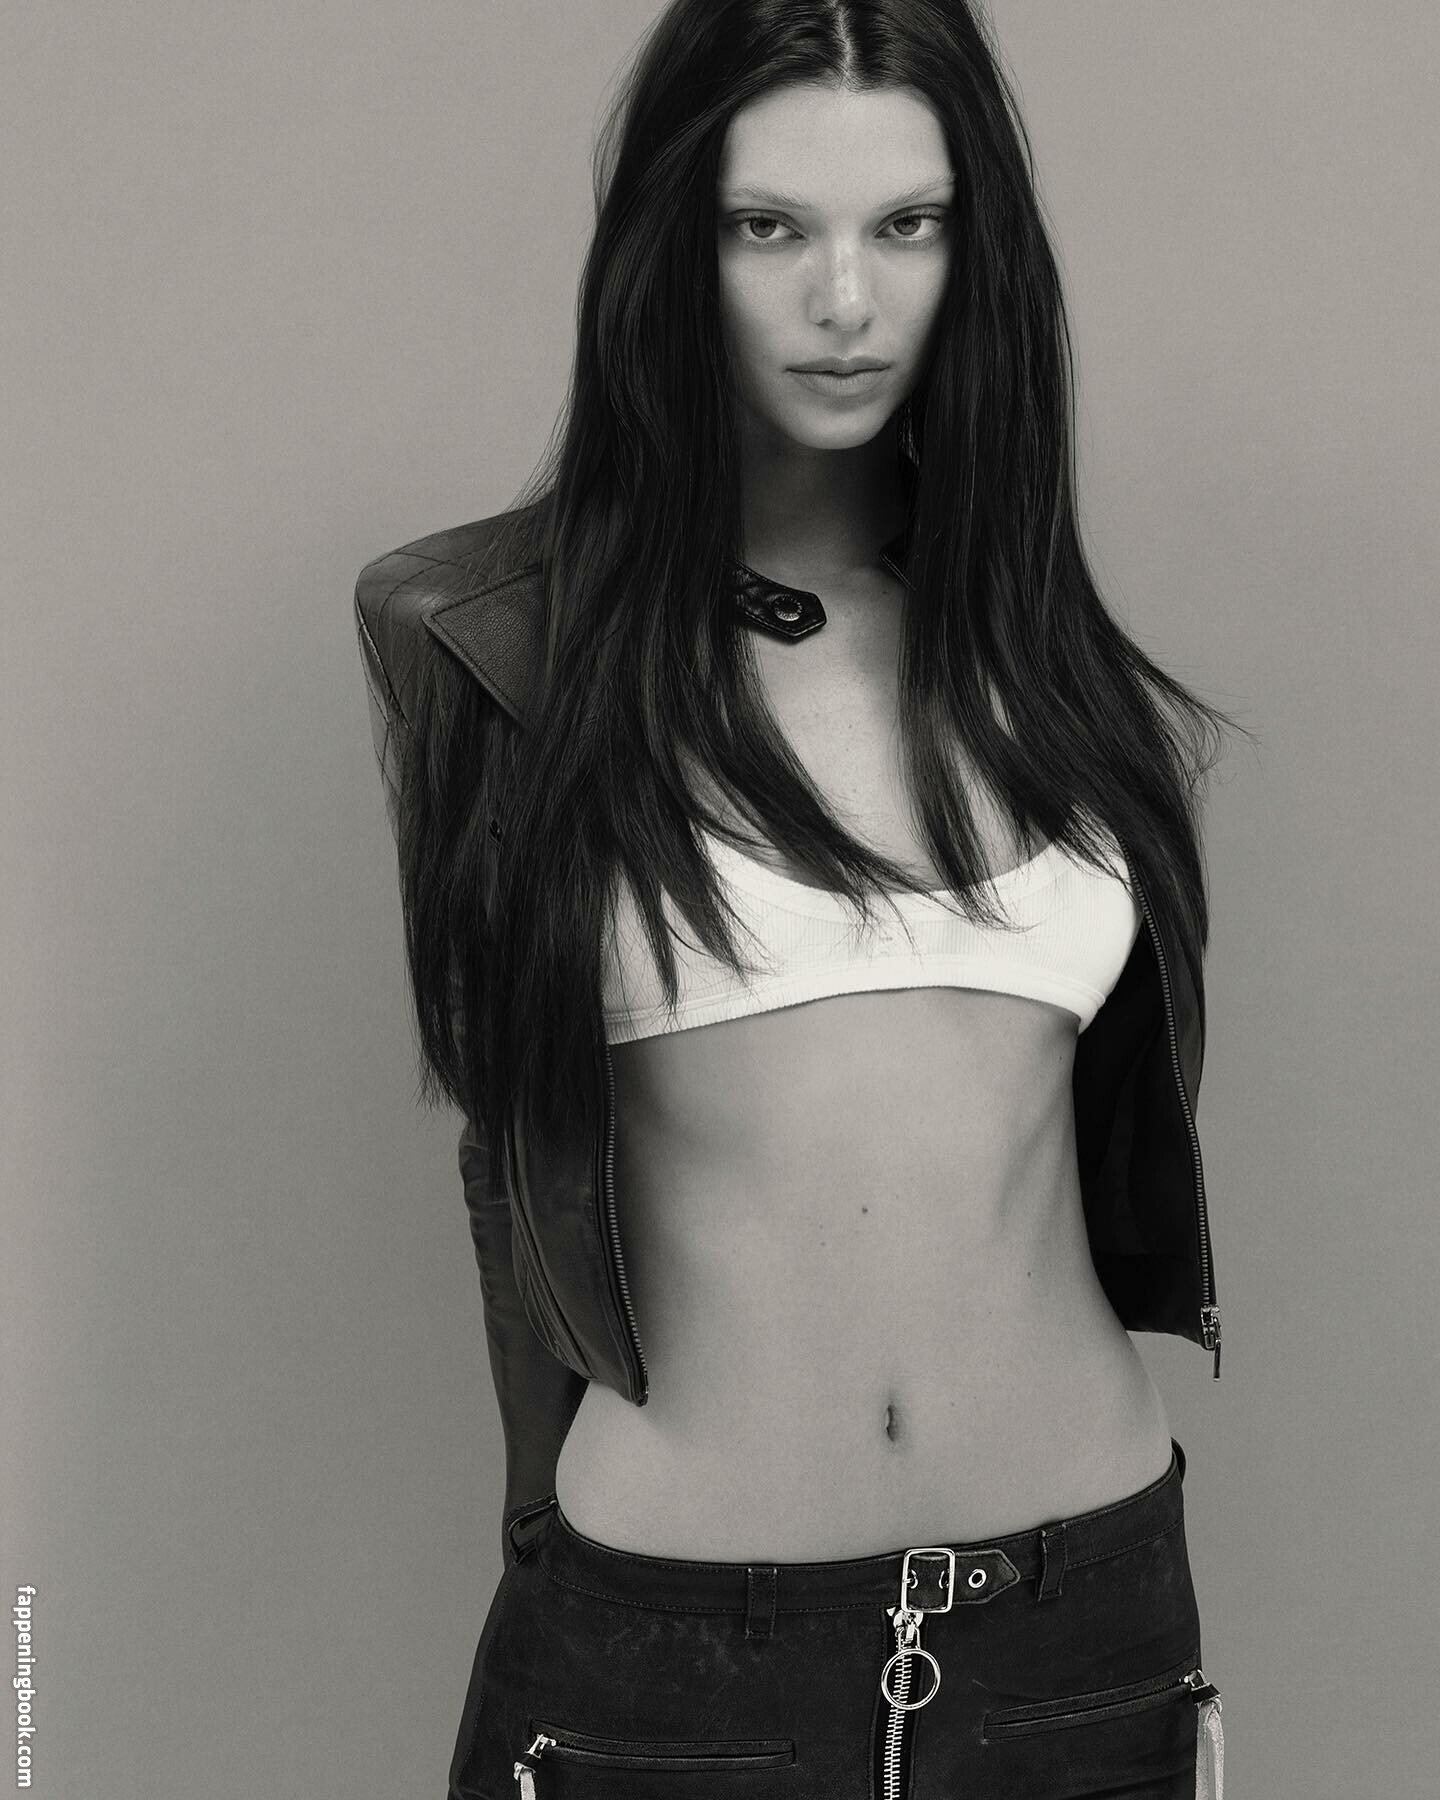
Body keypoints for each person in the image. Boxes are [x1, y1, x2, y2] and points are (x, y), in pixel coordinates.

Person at [355, 2, 1244, 1794]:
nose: (847, 299)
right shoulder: (493, 647)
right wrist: (542, 1532)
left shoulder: (1045, 657)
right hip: (674, 1665)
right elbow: (509, 1153)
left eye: (909, 224)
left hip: (1085, 1637)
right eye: (769, 226)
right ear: (667, 250)